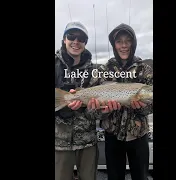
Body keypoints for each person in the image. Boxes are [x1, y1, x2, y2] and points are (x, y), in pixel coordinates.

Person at [89, 23, 153, 180]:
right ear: (113, 44)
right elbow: (91, 111)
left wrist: (141, 109)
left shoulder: (145, 69)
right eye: (119, 41)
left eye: (128, 41)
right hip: (112, 137)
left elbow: (151, 102)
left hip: (139, 136)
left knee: (141, 177)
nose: (124, 45)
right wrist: (104, 110)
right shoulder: (103, 70)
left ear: (133, 43)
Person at [55, 21, 105, 180]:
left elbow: (99, 114)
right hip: (59, 142)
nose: (76, 41)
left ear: (85, 43)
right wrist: (63, 107)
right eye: (71, 36)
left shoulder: (96, 71)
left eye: (81, 38)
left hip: (88, 142)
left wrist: (92, 109)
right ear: (64, 39)